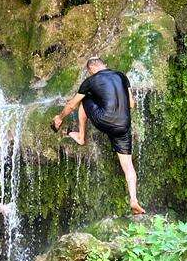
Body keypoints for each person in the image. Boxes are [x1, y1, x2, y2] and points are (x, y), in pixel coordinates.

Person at [51, 55, 145, 215]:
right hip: (123, 125)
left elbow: (72, 105)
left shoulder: (90, 81)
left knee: (85, 99)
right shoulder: (121, 76)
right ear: (104, 65)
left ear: (90, 70)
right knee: (128, 166)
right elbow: (131, 104)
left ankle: (81, 136)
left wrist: (59, 118)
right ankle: (134, 200)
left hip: (104, 120)